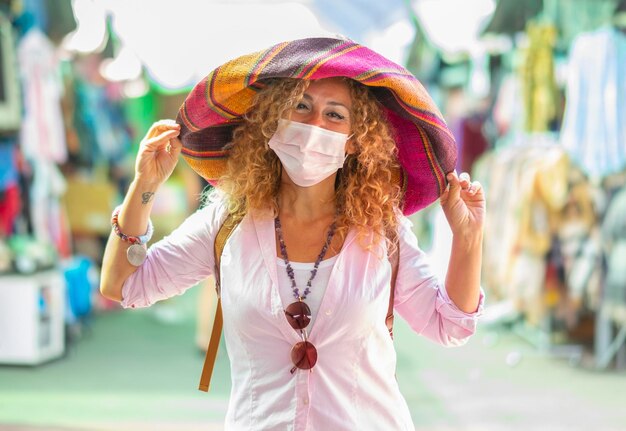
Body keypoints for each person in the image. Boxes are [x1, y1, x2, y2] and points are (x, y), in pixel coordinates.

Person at [100, 37, 485, 430]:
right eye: (301, 106)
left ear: (355, 141)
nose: (316, 124)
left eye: (335, 115)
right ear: (273, 120)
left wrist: (468, 239)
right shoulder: (228, 221)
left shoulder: (383, 232)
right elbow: (124, 284)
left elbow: (449, 324)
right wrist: (143, 187)